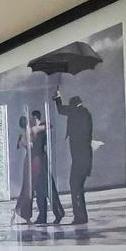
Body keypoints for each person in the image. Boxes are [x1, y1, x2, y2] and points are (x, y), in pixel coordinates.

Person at [52, 92, 93, 224]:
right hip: (83, 157)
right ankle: (81, 216)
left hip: (80, 158)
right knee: (77, 187)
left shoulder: (77, 113)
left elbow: (61, 110)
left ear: (74, 105)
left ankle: (80, 217)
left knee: (75, 186)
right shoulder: (84, 113)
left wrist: (57, 97)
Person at [28, 109, 64, 225]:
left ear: (34, 117)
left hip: (41, 160)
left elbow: (49, 127)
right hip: (38, 159)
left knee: (47, 188)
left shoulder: (42, 127)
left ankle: (58, 212)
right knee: (40, 190)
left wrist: (34, 130)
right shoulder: (38, 129)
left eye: (32, 118)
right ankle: (42, 215)